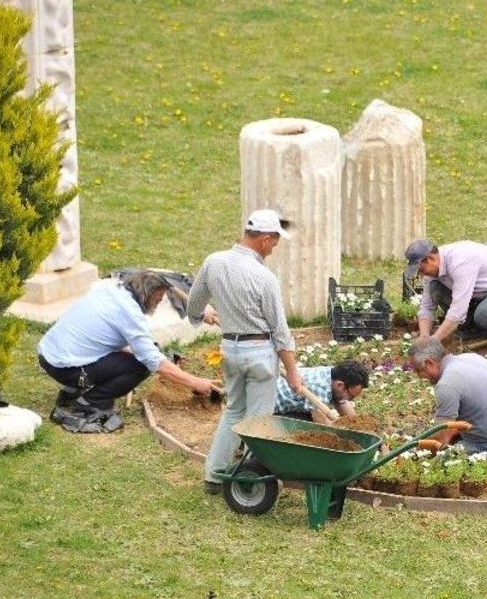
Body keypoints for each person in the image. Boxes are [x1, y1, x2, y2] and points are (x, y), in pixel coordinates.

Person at [186, 208, 304, 494]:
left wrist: (203, 314)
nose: (274, 248)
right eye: (275, 242)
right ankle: (252, 480)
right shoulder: (264, 278)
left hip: (230, 349)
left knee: (234, 411)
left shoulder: (213, 262)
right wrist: (292, 371)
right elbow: (280, 332)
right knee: (259, 420)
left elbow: (193, 306)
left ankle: (214, 476)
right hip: (259, 353)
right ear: (264, 239)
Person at [38, 271, 221, 434]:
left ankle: (73, 390)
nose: (158, 303)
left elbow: (163, 278)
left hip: (50, 355)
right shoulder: (130, 314)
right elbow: (153, 362)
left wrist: (198, 307)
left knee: (139, 353)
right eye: (158, 299)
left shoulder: (110, 290)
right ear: (148, 294)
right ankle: (90, 402)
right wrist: (195, 382)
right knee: (141, 365)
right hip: (66, 367)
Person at [403, 238, 487, 352]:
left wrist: (434, 341)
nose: (421, 275)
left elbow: (457, 312)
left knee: (485, 313)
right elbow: (427, 307)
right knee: (436, 289)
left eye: (421, 269)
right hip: (480, 295)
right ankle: (477, 329)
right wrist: (424, 337)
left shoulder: (460, 261)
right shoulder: (433, 268)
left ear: (430, 258)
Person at [407, 337, 487, 454]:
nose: (419, 377)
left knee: (442, 462)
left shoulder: (447, 384)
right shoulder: (471, 358)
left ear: (430, 363)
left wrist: (413, 453)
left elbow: (441, 439)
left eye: (419, 370)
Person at [272, 360, 370, 424]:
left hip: (286, 405)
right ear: (340, 385)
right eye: (351, 396)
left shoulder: (335, 376)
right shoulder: (320, 387)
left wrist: (357, 425)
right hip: (270, 410)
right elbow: (322, 422)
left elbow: (342, 402)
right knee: (310, 426)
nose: (351, 400)